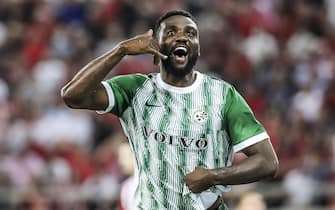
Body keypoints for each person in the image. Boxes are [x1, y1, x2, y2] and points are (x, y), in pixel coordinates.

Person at [61, 10, 279, 210]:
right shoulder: (135, 89)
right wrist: (121, 50)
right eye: (171, 32)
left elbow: (268, 162)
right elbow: (73, 95)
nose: (182, 37)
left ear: (198, 48)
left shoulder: (223, 96)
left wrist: (214, 176)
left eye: (190, 33)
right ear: (156, 46)